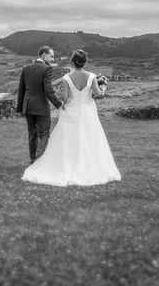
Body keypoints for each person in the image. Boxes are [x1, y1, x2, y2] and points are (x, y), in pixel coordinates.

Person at [22, 49, 121, 186]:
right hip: (88, 111)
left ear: (72, 62)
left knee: (69, 139)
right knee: (90, 138)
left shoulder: (67, 78)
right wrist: (103, 87)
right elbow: (98, 94)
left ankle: (63, 163)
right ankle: (89, 166)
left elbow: (64, 98)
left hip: (71, 111)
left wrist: (60, 97)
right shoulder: (92, 76)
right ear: (84, 62)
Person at [17, 46, 64, 164]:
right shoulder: (46, 69)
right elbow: (49, 90)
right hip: (41, 107)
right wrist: (58, 104)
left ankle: (33, 160)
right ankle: (38, 160)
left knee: (32, 135)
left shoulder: (26, 68)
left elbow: (21, 90)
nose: (53, 59)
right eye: (51, 56)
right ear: (44, 55)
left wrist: (20, 108)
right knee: (44, 134)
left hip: (27, 107)